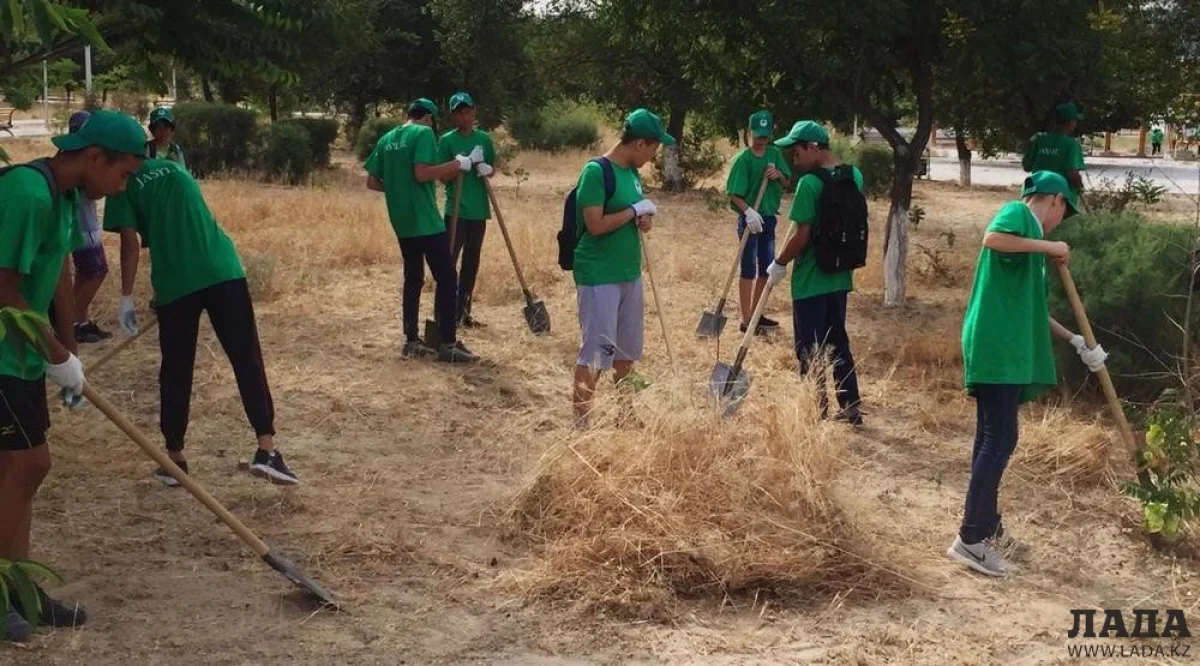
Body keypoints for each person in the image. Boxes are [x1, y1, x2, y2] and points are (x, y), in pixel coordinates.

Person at [0, 110, 145, 642]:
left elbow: (58, 269)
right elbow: (3, 287)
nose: (121, 186)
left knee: (22, 472)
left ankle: (22, 589)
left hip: (19, 356)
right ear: (93, 157)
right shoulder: (27, 194)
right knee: (26, 466)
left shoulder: (62, 197)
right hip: (1, 354)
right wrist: (56, 352)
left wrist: (71, 345)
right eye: (123, 174)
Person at [947, 171, 1108, 577]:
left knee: (992, 437)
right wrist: (1047, 244)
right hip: (996, 347)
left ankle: (988, 526)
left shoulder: (1031, 245)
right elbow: (991, 237)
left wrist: (1077, 342)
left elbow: (1034, 311)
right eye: (1063, 213)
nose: (1060, 223)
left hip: (1003, 346)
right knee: (1000, 438)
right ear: (1053, 200)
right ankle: (971, 538)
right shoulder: (1018, 213)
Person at [103, 158, 299, 487]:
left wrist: (125, 297)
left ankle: (175, 459)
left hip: (177, 282)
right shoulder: (175, 167)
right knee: (247, 358)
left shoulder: (120, 182)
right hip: (223, 269)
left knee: (176, 369)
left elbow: (129, 243)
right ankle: (267, 449)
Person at [571, 108, 673, 427]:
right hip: (599, 274)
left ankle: (625, 416)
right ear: (640, 143)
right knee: (597, 353)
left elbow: (632, 216)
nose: (654, 156)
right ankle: (581, 424)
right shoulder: (596, 172)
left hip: (630, 273)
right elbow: (595, 225)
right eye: (654, 148)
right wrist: (632, 211)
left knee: (626, 354)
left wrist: (643, 220)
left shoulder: (632, 173)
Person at [365, 98, 481, 363]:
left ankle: (411, 340)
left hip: (402, 221)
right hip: (426, 221)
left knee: (413, 279)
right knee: (447, 277)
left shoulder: (387, 139)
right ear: (428, 117)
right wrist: (458, 164)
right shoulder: (424, 133)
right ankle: (448, 343)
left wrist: (397, 187)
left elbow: (372, 181)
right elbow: (421, 173)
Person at [765, 121, 865, 425]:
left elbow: (801, 234)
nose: (793, 158)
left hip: (811, 279)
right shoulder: (854, 175)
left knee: (809, 348)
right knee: (837, 342)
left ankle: (814, 410)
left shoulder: (809, 184)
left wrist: (780, 262)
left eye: (796, 151)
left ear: (813, 148)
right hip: (840, 276)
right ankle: (850, 406)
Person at [725, 109, 792, 334]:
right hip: (750, 221)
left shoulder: (775, 154)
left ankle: (756, 314)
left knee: (766, 268)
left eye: (765, 133)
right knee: (748, 269)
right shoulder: (743, 160)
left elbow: (787, 182)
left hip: (769, 219)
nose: (762, 138)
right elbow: (733, 194)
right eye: (758, 133)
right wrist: (748, 212)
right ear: (750, 132)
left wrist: (778, 175)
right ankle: (746, 320)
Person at [437, 91, 497, 328]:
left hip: (478, 211)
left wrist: (485, 168)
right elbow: (442, 176)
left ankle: (463, 314)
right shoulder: (447, 141)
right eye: (460, 112)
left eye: (468, 110)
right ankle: (443, 316)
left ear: (474, 111)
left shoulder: (484, 139)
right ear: (454, 115)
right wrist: (463, 164)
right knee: (448, 264)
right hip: (456, 211)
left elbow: (492, 168)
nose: (465, 116)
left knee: (471, 264)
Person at [63, 111, 115, 343]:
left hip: (81, 224)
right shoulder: (82, 158)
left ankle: (76, 320)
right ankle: (73, 319)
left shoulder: (68, 155)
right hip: (83, 227)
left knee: (85, 274)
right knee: (97, 271)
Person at [1022, 102, 1085, 195]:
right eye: (1075, 121)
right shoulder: (1071, 144)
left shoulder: (1038, 140)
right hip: (1060, 195)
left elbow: (1027, 166)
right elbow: (1072, 172)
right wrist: (1080, 188)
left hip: (1035, 190)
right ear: (1071, 122)